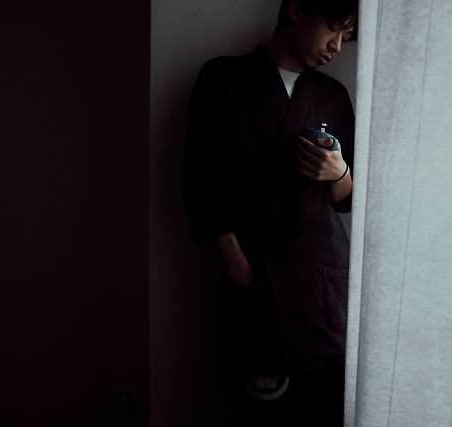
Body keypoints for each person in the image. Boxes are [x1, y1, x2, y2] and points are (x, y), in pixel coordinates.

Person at [182, 1, 358, 425]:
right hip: (259, 283)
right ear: (297, 9)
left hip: (323, 288)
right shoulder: (224, 78)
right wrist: (239, 270)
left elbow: (349, 199)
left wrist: (339, 172)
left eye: (347, 36)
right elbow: (202, 184)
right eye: (333, 28)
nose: (337, 46)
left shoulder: (332, 95)